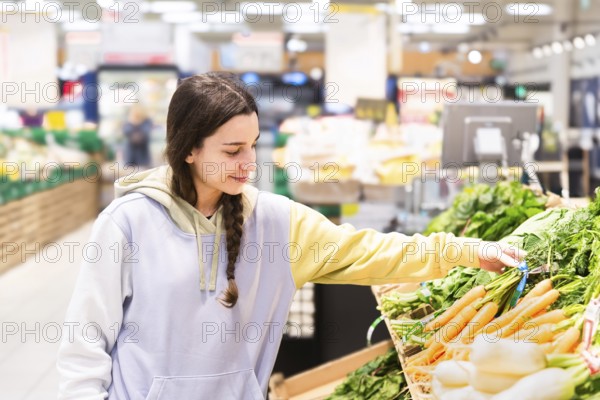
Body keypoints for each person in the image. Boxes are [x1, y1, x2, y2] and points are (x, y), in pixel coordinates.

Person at [57, 72, 524, 399]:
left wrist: (467, 251)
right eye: (233, 149)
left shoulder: (277, 223)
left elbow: (372, 251)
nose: (249, 163)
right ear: (189, 150)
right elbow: (86, 337)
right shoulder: (128, 223)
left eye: (254, 146)